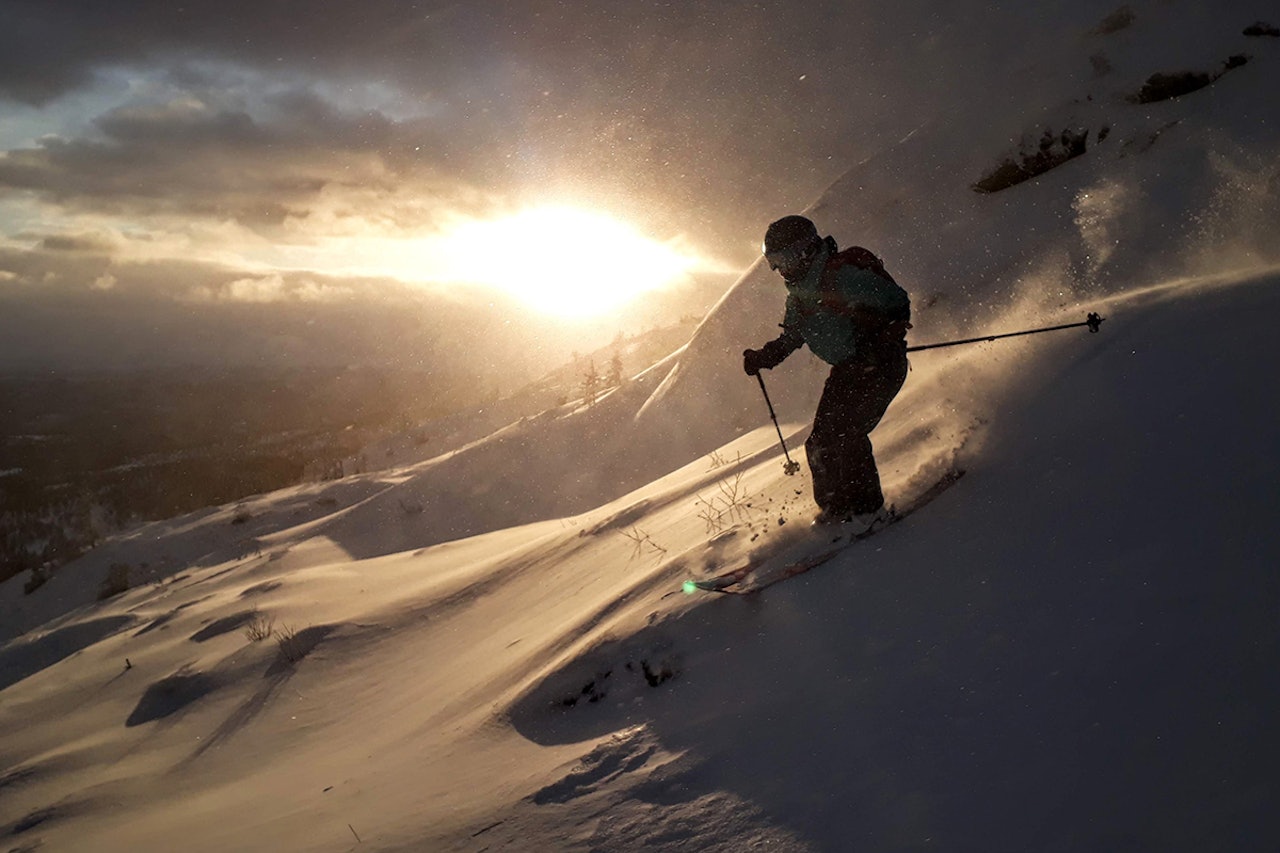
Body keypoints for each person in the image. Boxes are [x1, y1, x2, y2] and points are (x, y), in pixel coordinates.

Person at [743, 215, 911, 529]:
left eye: (786, 259)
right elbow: (792, 335)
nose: (781, 269)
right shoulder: (798, 296)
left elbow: (898, 302)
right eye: (775, 262)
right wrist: (763, 357)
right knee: (819, 443)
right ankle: (836, 512)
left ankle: (867, 513)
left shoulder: (843, 277)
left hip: (880, 365)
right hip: (848, 371)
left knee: (848, 436)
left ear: (806, 251)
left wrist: (882, 339)